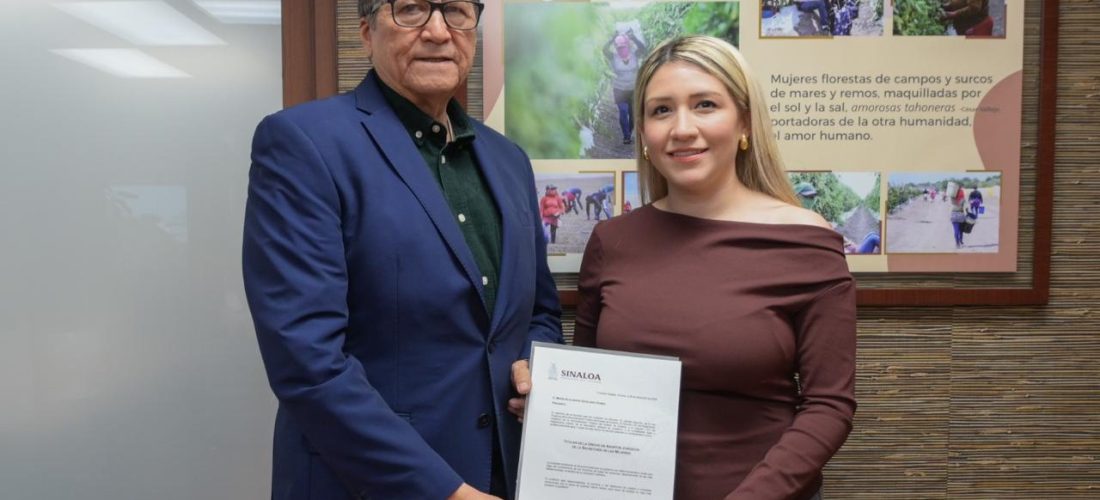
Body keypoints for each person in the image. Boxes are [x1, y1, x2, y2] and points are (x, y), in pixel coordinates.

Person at [242, 0, 563, 498]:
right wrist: (446, 492)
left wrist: (535, 368)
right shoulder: (303, 143)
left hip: (504, 471)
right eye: (411, 9)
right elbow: (306, 361)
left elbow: (538, 311)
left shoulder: (509, 160)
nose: (437, 31)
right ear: (368, 31)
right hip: (366, 482)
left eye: (455, 11)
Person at [575, 35, 856, 500]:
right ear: (643, 132)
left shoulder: (806, 241)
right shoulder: (613, 241)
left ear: (744, 121)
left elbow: (830, 406)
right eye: (661, 110)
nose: (681, 128)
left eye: (705, 104)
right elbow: (589, 384)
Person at [604, 28, 646, 145]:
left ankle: (629, 131)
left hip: (633, 90)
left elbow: (642, 48)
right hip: (619, 89)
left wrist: (634, 38)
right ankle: (626, 136)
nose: (621, 49)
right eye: (619, 47)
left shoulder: (634, 55)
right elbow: (604, 50)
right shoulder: (614, 57)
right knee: (623, 111)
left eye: (623, 47)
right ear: (616, 47)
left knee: (633, 115)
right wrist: (612, 39)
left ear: (627, 46)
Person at [950, 182, 968, 248]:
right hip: (961, 214)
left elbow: (951, 198)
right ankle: (961, 241)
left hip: (954, 214)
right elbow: (966, 207)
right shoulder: (963, 199)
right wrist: (968, 213)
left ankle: (957, 243)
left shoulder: (953, 199)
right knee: (961, 230)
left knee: (956, 230)